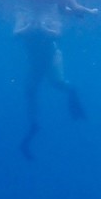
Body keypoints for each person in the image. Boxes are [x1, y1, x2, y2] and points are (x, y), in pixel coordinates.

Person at [14, 8, 86, 160]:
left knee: (57, 82)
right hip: (35, 62)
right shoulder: (23, 15)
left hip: (52, 59)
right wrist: (30, 27)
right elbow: (16, 34)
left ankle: (72, 92)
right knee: (30, 91)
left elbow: (57, 35)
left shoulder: (51, 14)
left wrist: (43, 28)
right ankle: (33, 126)